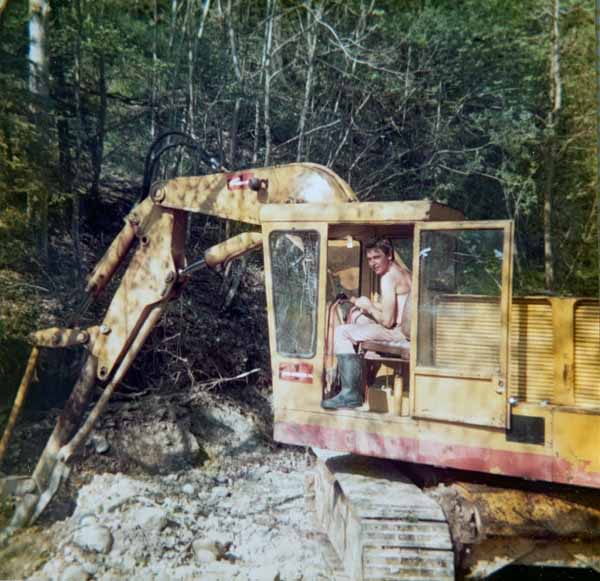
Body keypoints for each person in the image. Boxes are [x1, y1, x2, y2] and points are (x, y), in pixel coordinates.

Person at [322, 237, 412, 410]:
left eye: (377, 257)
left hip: (398, 332)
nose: (372, 263)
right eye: (369, 259)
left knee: (342, 332)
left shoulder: (388, 278)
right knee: (358, 317)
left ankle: (350, 393)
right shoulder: (405, 273)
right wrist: (364, 304)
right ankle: (364, 379)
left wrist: (370, 307)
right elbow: (396, 308)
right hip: (403, 328)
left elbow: (388, 321)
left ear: (389, 255)